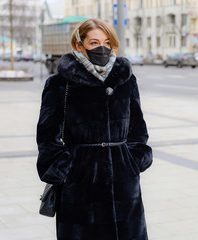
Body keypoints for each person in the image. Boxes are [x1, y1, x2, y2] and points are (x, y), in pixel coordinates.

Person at [36, 18, 153, 240]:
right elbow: (46, 136)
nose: (102, 48)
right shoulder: (60, 83)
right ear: (79, 45)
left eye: (107, 42)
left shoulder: (125, 79)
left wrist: (135, 160)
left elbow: (138, 128)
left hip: (123, 183)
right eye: (94, 42)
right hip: (80, 183)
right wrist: (64, 170)